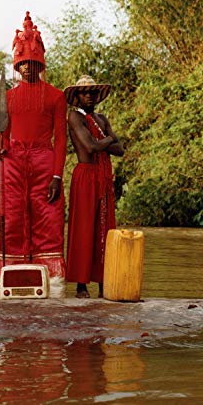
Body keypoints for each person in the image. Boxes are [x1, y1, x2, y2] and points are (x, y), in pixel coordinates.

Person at [0, 11, 67, 297]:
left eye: (32, 63)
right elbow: (3, 133)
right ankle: (11, 279)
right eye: (22, 63)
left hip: (43, 158)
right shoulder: (8, 97)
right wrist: (0, 149)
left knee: (49, 216)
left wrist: (57, 175)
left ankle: (54, 284)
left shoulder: (56, 96)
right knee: (12, 217)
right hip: (12, 161)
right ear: (17, 65)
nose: (27, 68)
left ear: (41, 64)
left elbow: (61, 139)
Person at [64, 75, 124, 298]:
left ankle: (103, 282)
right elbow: (90, 146)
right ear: (77, 97)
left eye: (93, 92)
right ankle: (81, 285)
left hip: (104, 177)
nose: (89, 95)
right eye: (84, 92)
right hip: (86, 175)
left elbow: (121, 150)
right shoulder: (74, 117)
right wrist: (109, 139)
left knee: (105, 228)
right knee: (84, 227)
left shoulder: (101, 118)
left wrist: (105, 143)